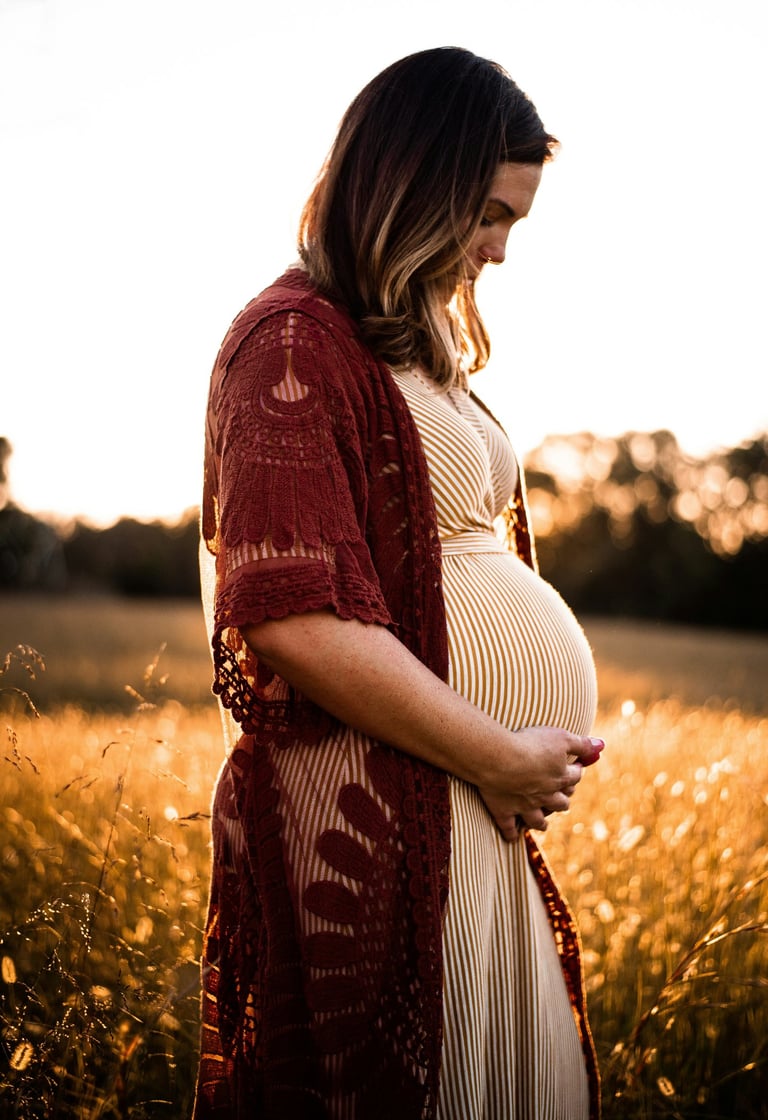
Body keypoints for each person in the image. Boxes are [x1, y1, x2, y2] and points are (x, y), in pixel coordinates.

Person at [195, 46, 604, 1120]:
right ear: (416, 183)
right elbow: (292, 617)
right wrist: (500, 755)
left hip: (468, 804)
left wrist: (506, 768)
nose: (502, 251)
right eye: (491, 215)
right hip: (397, 804)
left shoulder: (409, 342)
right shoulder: (290, 343)